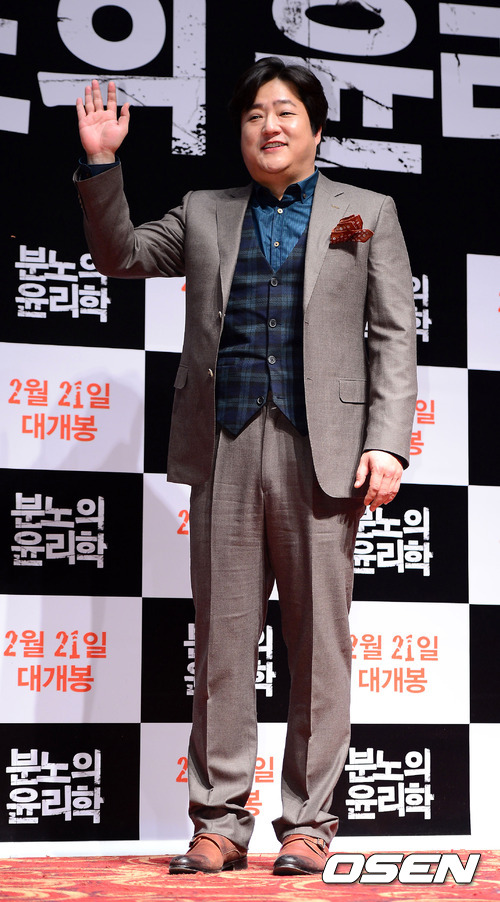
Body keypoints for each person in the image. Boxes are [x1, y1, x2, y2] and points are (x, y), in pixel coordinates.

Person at [75, 57, 417, 877]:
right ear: (241, 133)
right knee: (225, 644)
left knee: (319, 646)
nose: (270, 126)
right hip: (225, 444)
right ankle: (220, 821)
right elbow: (122, 254)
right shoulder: (205, 210)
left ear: (316, 129)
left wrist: (388, 440)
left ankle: (309, 823)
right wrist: (101, 163)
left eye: (287, 112)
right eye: (256, 114)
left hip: (323, 452)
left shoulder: (366, 212)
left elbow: (394, 334)